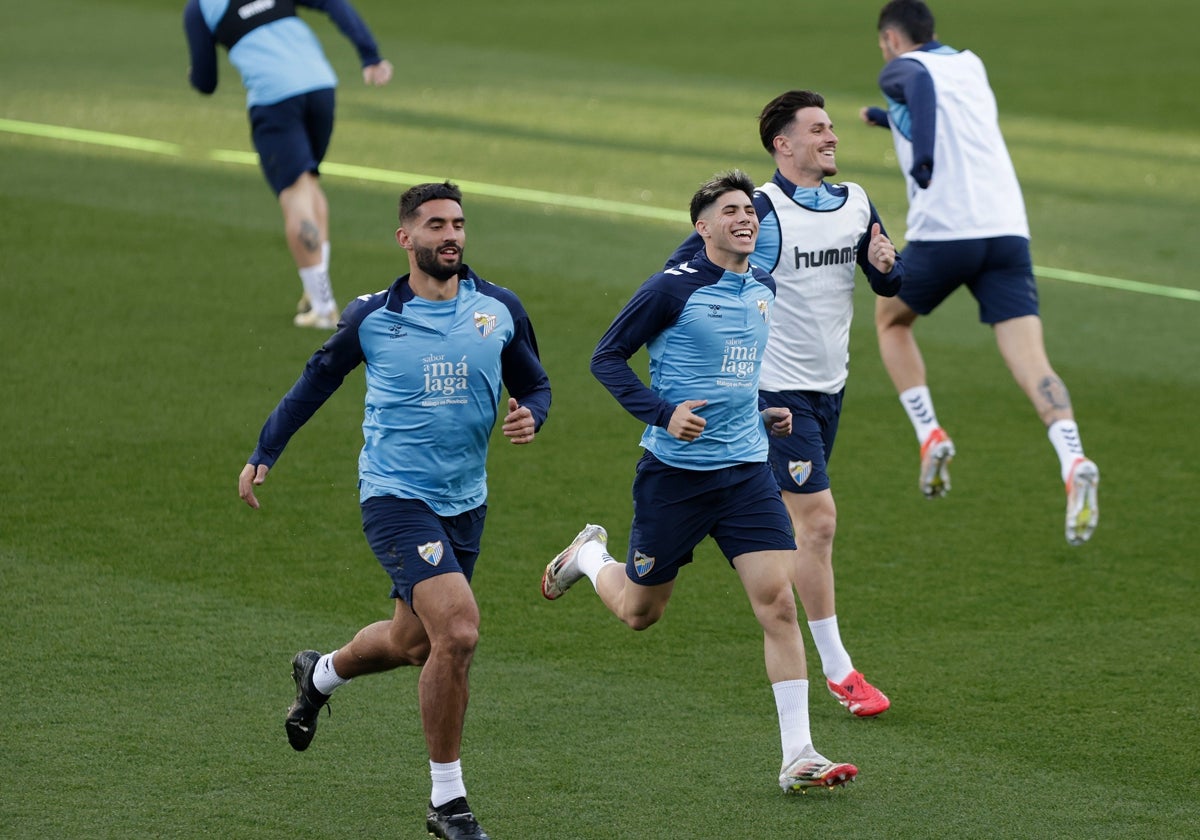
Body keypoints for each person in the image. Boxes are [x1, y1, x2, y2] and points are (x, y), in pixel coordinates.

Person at [238, 181, 550, 840]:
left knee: (414, 643)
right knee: (458, 631)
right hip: (395, 498)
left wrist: (531, 416)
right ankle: (448, 802)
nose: (452, 236)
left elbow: (536, 383)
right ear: (406, 238)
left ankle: (318, 675)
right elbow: (316, 380)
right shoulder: (372, 316)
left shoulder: (499, 308)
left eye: (459, 224)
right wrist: (267, 449)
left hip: (466, 503)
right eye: (436, 225)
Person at [542, 170, 858, 793]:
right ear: (702, 226)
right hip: (675, 478)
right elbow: (606, 356)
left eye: (751, 210)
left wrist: (764, 413)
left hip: (746, 473)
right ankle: (588, 555)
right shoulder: (671, 289)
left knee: (778, 603)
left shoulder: (762, 287)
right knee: (640, 612)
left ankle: (799, 755)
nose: (746, 218)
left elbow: (736, 374)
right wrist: (664, 413)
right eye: (732, 211)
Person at [666, 90, 903, 718]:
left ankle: (695, 528)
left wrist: (887, 266)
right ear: (783, 144)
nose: (831, 138)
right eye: (818, 129)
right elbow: (680, 275)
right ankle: (840, 670)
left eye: (831, 129)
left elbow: (882, 274)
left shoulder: (853, 201)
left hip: (831, 386)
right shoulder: (761, 211)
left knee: (788, 523)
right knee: (818, 521)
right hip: (774, 390)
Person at [860, 0, 1099, 545]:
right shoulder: (971, 64)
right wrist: (883, 120)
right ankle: (1072, 457)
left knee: (891, 322)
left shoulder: (902, 68)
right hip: (1007, 234)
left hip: (944, 235)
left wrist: (921, 159)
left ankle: (929, 433)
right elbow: (943, 111)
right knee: (1031, 359)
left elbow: (920, 93)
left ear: (893, 39)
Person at [184, 0, 394, 329]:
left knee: (295, 193)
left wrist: (194, 77)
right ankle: (315, 293)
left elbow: (206, 80)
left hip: (274, 99)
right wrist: (370, 55)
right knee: (308, 184)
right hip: (321, 86)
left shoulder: (200, 8)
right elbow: (334, 3)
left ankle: (324, 308)